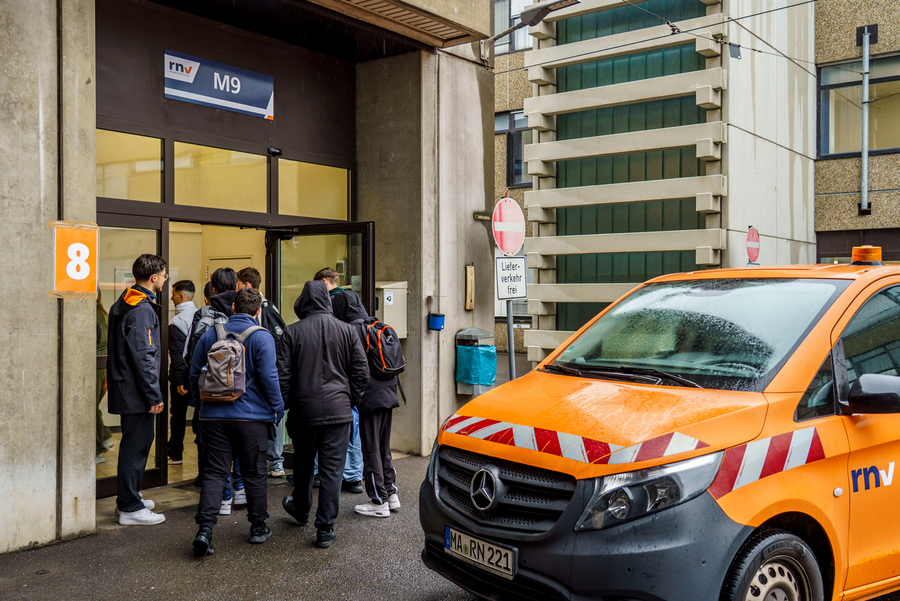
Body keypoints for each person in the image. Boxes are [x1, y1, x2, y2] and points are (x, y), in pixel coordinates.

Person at [189, 287, 284, 557]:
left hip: (213, 417)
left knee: (215, 473)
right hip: (252, 418)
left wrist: (202, 404)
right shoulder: (261, 338)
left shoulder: (211, 334)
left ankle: (205, 531)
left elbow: (195, 373)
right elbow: (269, 378)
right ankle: (258, 526)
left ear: (232, 308)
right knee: (254, 473)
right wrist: (277, 409)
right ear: (258, 312)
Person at [278, 281, 368, 548]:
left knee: (304, 464)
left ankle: (301, 508)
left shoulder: (291, 333)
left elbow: (283, 376)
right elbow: (361, 373)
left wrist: (284, 406)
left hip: (304, 412)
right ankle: (325, 528)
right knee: (332, 471)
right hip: (339, 412)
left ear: (303, 302)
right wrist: (350, 399)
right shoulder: (347, 331)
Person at [313, 269, 402, 518]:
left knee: (370, 447)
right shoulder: (374, 325)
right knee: (383, 446)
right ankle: (391, 493)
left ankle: (378, 501)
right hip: (388, 392)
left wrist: (353, 395)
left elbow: (353, 369)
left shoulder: (350, 332)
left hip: (370, 398)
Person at [106, 254, 167, 526]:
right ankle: (130, 507)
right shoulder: (141, 309)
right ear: (154, 277)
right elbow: (144, 355)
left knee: (133, 445)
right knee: (136, 448)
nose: (165, 280)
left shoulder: (125, 300)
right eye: (164, 275)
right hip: (138, 393)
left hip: (127, 389)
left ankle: (129, 497)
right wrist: (154, 395)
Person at [312, 268, 365, 494]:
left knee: (318, 429)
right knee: (351, 427)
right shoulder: (354, 301)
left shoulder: (335, 302)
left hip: (332, 377)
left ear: (324, 283)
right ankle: (353, 476)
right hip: (348, 381)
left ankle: (316, 473)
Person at [236, 267, 287, 478]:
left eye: (238, 284)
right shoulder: (270, 307)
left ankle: (275, 461)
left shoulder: (264, 309)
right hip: (258, 375)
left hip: (258, 375)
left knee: (271, 416)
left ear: (247, 285)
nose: (235, 288)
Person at [167, 280, 197, 465]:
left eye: (173, 294)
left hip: (183, 377)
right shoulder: (200, 315)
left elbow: (177, 355)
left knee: (177, 416)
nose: (171, 298)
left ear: (181, 296)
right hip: (199, 375)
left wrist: (178, 381)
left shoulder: (177, 321)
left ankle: (175, 453)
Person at [95, 299, 112, 464]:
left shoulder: (95, 316)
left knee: (91, 409)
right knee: (93, 408)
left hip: (96, 366)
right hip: (102, 366)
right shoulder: (103, 314)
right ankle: (104, 436)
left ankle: (99, 447)